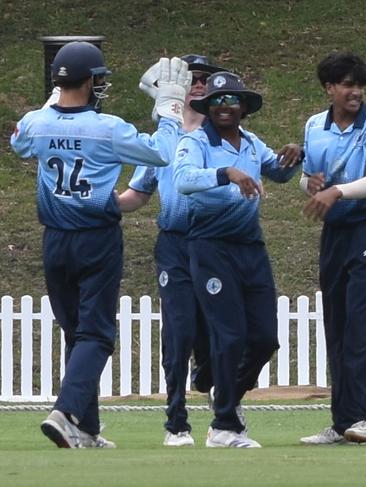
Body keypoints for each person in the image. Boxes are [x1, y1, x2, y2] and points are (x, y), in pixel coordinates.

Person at [10, 41, 190, 448]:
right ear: (91, 81)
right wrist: (170, 110)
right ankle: (66, 411)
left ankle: (86, 428)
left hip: (54, 239)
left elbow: (19, 143)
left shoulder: (36, 123)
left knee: (77, 332)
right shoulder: (108, 129)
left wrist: (50, 103)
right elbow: (161, 153)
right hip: (96, 238)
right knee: (96, 334)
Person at [173, 71, 303, 448]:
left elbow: (276, 172)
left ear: (243, 107)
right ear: (206, 108)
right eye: (216, 100)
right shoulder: (195, 142)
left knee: (263, 339)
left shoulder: (251, 142)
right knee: (229, 335)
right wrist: (226, 173)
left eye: (231, 100)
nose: (223, 106)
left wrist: (293, 156)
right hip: (210, 245)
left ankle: (217, 386)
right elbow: (183, 179)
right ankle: (224, 426)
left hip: (250, 246)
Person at [118, 54, 226, 447]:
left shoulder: (224, 135)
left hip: (219, 244)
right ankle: (176, 421)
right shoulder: (166, 138)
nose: (197, 84)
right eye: (191, 78)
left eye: (205, 79)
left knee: (220, 332)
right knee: (178, 331)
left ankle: (216, 391)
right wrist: (97, 203)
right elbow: (137, 195)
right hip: (175, 245)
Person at [298, 52, 366, 445]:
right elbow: (307, 182)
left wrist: (336, 190)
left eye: (360, 84)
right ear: (329, 88)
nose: (355, 91)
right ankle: (343, 423)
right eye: (347, 84)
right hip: (336, 232)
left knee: (360, 324)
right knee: (337, 325)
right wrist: (313, 186)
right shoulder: (313, 126)